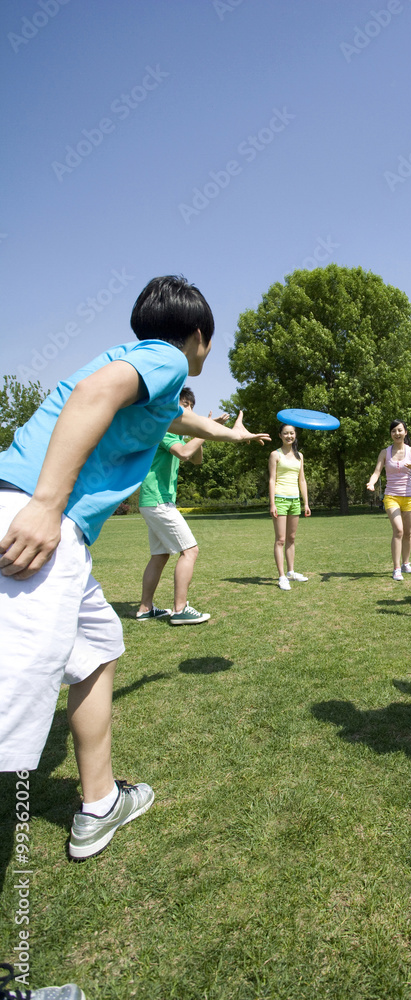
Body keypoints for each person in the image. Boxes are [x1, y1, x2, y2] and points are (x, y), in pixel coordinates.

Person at [0, 275, 270, 860]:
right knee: (8, 701)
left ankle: (100, 804)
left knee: (98, 640)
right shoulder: (167, 359)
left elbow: (176, 421)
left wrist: (228, 432)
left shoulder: (146, 369)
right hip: (37, 515)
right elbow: (92, 398)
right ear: (198, 336)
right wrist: (47, 503)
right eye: (207, 345)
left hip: (33, 512)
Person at [136, 386, 227, 625]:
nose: (188, 413)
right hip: (158, 501)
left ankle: (145, 608)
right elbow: (185, 454)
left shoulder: (177, 436)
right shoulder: (164, 429)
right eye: (184, 407)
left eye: (190, 409)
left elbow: (196, 459)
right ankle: (179, 609)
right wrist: (207, 431)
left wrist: (202, 432)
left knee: (160, 555)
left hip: (153, 501)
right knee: (190, 550)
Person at [366, 420, 411, 580]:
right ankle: (396, 568)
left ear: (405, 432)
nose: (397, 433)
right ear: (391, 434)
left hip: (409, 497)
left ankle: (406, 563)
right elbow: (377, 472)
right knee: (398, 530)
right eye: (393, 431)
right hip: (391, 496)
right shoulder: (385, 452)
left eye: (400, 430)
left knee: (408, 533)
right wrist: (371, 482)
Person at [268, 424, 311, 590]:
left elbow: (302, 480)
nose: (289, 436)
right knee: (280, 539)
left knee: (291, 538)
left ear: (295, 434)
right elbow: (272, 479)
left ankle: (291, 572)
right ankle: (281, 576)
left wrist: (306, 502)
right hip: (280, 499)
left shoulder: (300, 456)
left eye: (291, 433)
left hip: (295, 500)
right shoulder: (275, 455)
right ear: (280, 435)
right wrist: (272, 503)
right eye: (285, 433)